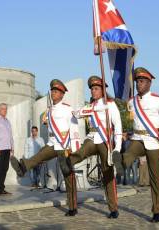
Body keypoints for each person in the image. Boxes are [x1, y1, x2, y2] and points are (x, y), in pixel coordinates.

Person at [10, 79, 81, 216]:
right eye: (52, 91)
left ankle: (73, 207)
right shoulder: (48, 111)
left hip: (64, 145)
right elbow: (50, 127)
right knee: (39, 156)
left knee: (68, 175)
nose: (53, 93)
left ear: (62, 94)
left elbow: (74, 127)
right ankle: (22, 168)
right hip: (53, 143)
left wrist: (74, 147)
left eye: (56, 91)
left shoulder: (67, 109)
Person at [114, 67, 159, 223]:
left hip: (153, 142)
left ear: (149, 83)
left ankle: (157, 210)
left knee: (156, 178)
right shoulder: (132, 102)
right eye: (137, 82)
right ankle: (120, 164)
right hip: (137, 139)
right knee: (129, 153)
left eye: (141, 81)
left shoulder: (158, 101)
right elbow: (132, 121)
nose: (138, 84)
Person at [60, 76, 123, 218]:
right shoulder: (91, 106)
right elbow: (77, 114)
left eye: (96, 89)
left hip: (105, 141)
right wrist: (92, 109)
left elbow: (118, 126)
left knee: (107, 174)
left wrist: (117, 148)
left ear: (103, 90)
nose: (93, 91)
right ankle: (68, 162)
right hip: (92, 138)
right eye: (92, 89)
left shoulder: (111, 105)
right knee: (82, 151)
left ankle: (113, 209)